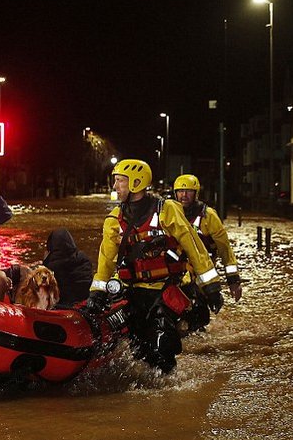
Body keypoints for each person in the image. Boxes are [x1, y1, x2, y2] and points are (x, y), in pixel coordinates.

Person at [86, 159, 223, 372]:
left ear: (136, 183)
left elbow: (194, 247)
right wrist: (97, 292)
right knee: (140, 352)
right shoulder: (114, 220)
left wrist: (211, 286)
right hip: (133, 296)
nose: (115, 187)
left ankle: (169, 396)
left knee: (162, 348)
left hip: (165, 290)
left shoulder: (167, 210)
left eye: (120, 181)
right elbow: (105, 261)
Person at [173, 174, 243, 333]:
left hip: (202, 272)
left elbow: (225, 248)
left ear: (196, 193)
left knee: (198, 312)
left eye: (188, 191)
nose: (184, 195)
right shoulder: (170, 213)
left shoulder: (208, 216)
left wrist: (233, 280)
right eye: (180, 191)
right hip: (175, 271)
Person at [42, 228, 94, 307]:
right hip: (84, 304)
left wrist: (45, 262)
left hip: (63, 306)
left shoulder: (51, 266)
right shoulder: (84, 259)